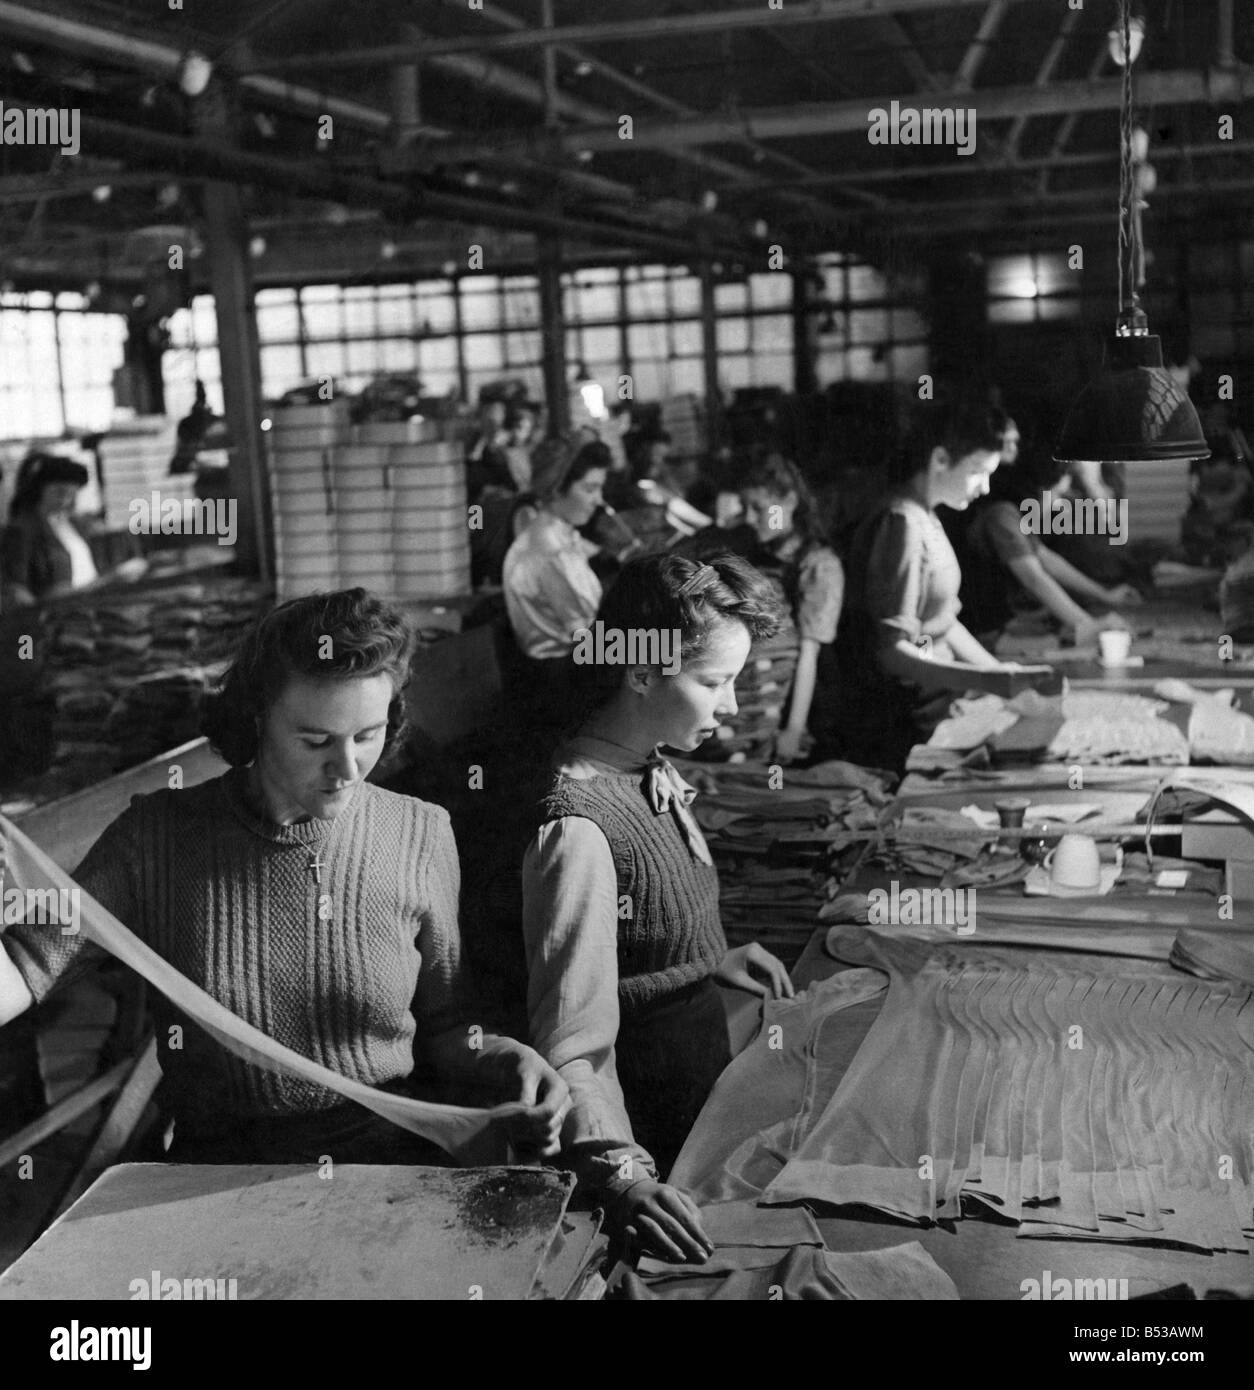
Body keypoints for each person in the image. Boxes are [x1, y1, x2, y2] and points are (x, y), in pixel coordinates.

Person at [0, 588, 567, 1164]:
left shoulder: (420, 832)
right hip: (215, 1168)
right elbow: (26, 965)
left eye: (367, 736)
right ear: (256, 719)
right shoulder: (157, 838)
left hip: (383, 1158)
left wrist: (503, 1057)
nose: (346, 769)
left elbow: (446, 1022)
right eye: (316, 740)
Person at [523, 552, 795, 1264]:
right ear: (641, 673)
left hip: (696, 1092)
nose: (730, 705)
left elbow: (636, 931)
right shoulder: (579, 824)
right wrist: (622, 1176)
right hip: (651, 1130)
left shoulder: (643, 765)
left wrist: (706, 956)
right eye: (714, 682)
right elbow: (572, 1043)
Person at [823, 396, 1058, 773]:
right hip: (902, 722)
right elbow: (891, 652)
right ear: (940, 460)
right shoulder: (899, 523)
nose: (984, 488)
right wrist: (989, 680)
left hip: (938, 705)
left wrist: (1003, 678)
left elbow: (943, 623)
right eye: (978, 471)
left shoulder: (926, 516)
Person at [959, 445, 1143, 648]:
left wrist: (1105, 595)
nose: (1057, 505)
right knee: (1068, 643)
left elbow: (1049, 561)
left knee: (1071, 637)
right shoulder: (1001, 515)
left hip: (1006, 626)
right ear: (1040, 489)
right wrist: (1087, 625)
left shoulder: (1016, 514)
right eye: (1056, 496)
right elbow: (1034, 577)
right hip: (985, 636)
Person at [740, 453, 844, 764]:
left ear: (789, 502)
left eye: (758, 508)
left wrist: (794, 729)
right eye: (744, 507)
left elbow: (809, 654)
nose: (748, 518)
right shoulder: (756, 552)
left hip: (795, 709)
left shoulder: (818, 565)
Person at [1, 452, 146, 607]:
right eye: (59, 492)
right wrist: (113, 577)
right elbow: (19, 590)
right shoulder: (21, 531)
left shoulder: (71, 524)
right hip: (59, 617)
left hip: (88, 611)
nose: (66, 500)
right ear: (39, 491)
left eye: (71, 494)